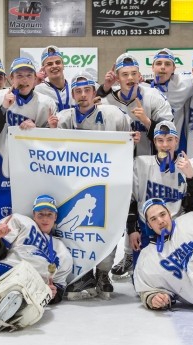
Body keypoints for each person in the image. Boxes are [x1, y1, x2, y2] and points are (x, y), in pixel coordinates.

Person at [49, 71, 137, 300]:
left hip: (108, 184)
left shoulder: (114, 115)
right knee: (80, 230)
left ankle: (103, 273)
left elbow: (128, 146)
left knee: (108, 228)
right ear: (73, 94)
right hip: (76, 184)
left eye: (87, 90)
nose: (83, 95)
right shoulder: (64, 117)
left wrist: (132, 140)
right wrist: (50, 131)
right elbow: (52, 150)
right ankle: (85, 272)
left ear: (93, 91)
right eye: (77, 91)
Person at [0, 57, 57, 227]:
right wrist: (3, 108)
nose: (24, 80)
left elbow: (54, 147)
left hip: (32, 179)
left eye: (28, 75)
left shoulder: (46, 103)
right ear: (11, 78)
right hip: (0, 179)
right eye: (19, 75)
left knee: (28, 229)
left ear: (35, 79)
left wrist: (38, 131)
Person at [0, 194, 73, 332]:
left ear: (55, 217)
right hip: (4, 270)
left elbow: (59, 287)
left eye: (49, 214)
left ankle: (9, 308)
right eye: (40, 214)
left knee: (26, 293)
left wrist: (54, 294)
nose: (44, 218)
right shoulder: (21, 221)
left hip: (31, 284)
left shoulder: (63, 252)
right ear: (33, 214)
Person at [114, 120, 193, 273]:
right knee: (141, 281)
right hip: (146, 229)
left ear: (176, 141)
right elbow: (130, 200)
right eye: (160, 140)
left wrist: (190, 178)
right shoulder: (141, 164)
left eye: (170, 139)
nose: (165, 145)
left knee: (176, 279)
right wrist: (132, 229)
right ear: (154, 142)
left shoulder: (189, 166)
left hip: (177, 230)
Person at [134, 198, 193, 310]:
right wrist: (153, 298)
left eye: (162, 214)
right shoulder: (146, 258)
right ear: (148, 225)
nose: (160, 221)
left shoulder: (191, 220)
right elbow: (146, 291)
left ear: (169, 213)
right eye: (153, 219)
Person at [97, 53, 173, 156]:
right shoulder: (105, 100)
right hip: (114, 162)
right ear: (117, 79)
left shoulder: (154, 96)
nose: (130, 78)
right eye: (125, 74)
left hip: (147, 163)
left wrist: (146, 121)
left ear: (139, 76)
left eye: (134, 73)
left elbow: (169, 132)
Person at [35, 45, 73, 111]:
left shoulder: (74, 87)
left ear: (63, 65)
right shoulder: (38, 90)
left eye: (58, 62)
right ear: (43, 69)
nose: (54, 66)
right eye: (49, 64)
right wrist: (33, 83)